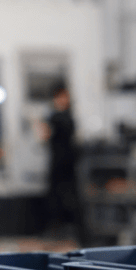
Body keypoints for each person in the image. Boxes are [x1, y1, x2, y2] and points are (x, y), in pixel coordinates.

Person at [43, 83, 84, 243]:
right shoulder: (55, 117)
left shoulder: (64, 117)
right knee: (57, 199)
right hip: (58, 164)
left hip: (67, 165)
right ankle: (59, 232)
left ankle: (71, 233)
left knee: (70, 199)